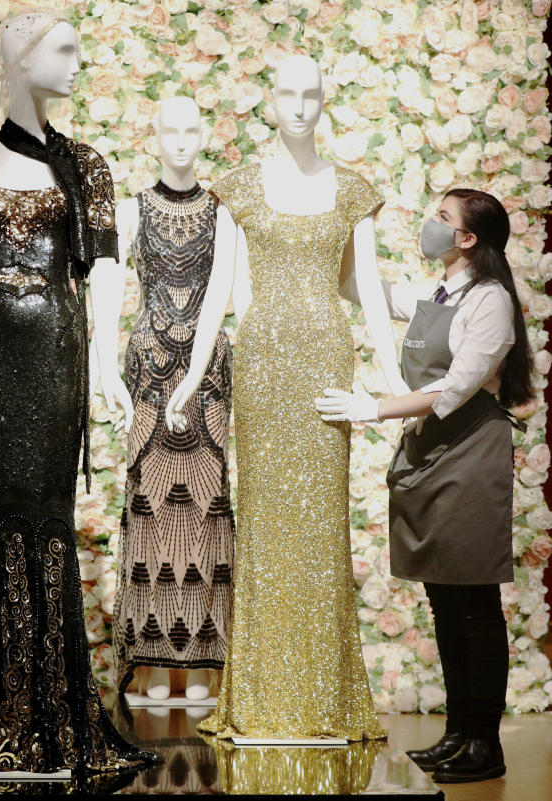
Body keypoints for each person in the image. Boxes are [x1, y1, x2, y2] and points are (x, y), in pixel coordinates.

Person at [0, 11, 156, 777]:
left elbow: (104, 270)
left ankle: (52, 712)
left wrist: (106, 366)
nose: (79, 64)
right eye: (65, 50)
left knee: (46, 522)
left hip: (55, 354)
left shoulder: (86, 165)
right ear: (23, 58)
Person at [166, 55, 394, 740]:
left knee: (321, 530)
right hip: (262, 367)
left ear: (325, 100)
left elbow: (374, 300)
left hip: (325, 361)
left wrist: (396, 381)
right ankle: (265, 702)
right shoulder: (238, 187)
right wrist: (188, 375)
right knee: (264, 531)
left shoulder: (352, 190)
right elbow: (215, 296)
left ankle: (322, 704)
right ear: (268, 101)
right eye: (286, 93)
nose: (298, 106)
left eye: (310, 94)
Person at [317, 188, 532, 783]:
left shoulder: (490, 302)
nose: (429, 226)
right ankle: (459, 733)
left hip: (470, 454)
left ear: (468, 239)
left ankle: (484, 744)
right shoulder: (437, 292)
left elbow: (455, 389)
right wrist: (354, 224)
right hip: (431, 451)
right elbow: (353, 287)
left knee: (475, 603)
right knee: (444, 598)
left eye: (442, 218)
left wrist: (373, 407)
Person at [97, 97, 235, 702]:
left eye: (191, 128)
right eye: (169, 130)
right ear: (153, 138)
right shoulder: (129, 210)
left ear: (205, 133)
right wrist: (105, 364)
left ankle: (205, 661)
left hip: (208, 376)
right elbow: (101, 290)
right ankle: (151, 663)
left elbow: (235, 296)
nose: (181, 140)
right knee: (150, 503)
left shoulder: (225, 211)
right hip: (149, 365)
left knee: (206, 504)